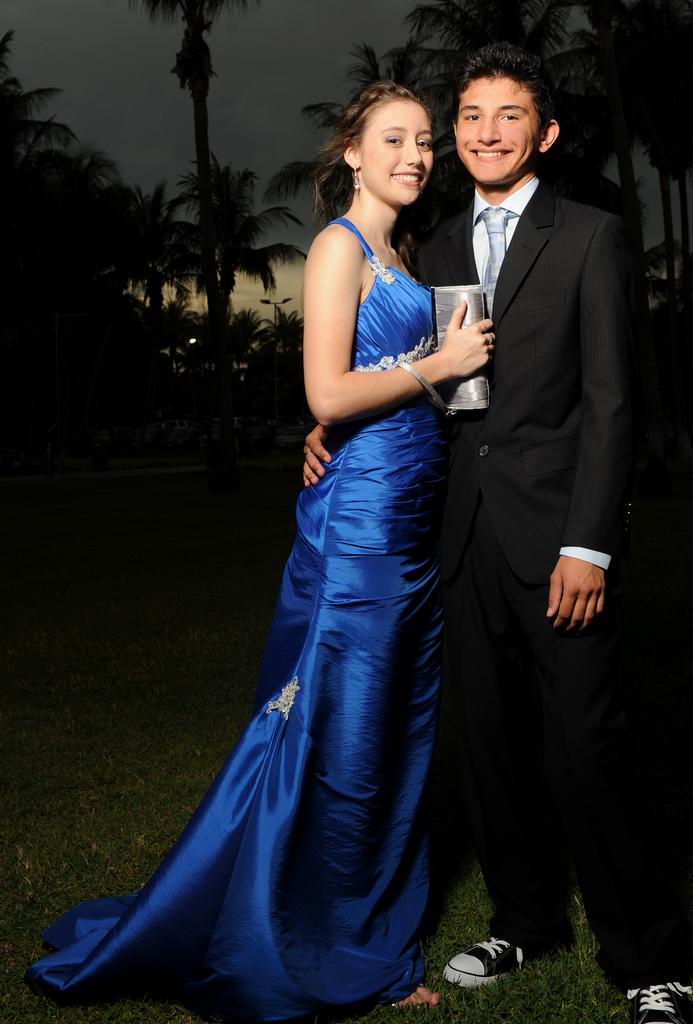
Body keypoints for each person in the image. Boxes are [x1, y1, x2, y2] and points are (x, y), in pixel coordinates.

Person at [25, 81, 493, 1023]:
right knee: (341, 744)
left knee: (395, 744)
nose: (416, 155)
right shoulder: (338, 246)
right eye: (394, 140)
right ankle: (301, 944)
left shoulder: (405, 253)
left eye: (425, 142)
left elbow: (374, 396)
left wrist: (424, 389)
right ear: (350, 153)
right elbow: (325, 394)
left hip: (407, 535)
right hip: (357, 541)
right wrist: (437, 367)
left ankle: (361, 932)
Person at [302, 45, 693, 1024]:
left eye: (506, 116)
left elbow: (612, 406)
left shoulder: (591, 238)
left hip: (559, 540)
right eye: (469, 115)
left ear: (544, 132)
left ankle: (651, 959)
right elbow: (442, 391)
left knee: (583, 743)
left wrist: (591, 544)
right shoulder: (433, 247)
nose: (483, 132)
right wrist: (329, 426)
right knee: (486, 744)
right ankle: (523, 919)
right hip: (459, 536)